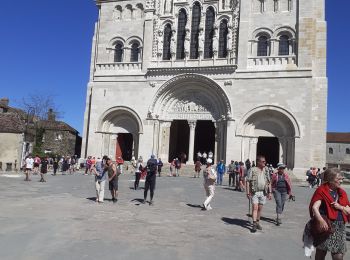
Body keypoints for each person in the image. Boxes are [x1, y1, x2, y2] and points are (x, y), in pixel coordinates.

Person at [309, 168, 350, 260]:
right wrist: (321, 221)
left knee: (338, 255)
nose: (341, 181)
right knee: (321, 252)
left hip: (340, 226)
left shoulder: (342, 193)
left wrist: (340, 207)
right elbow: (315, 208)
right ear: (331, 179)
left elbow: (348, 210)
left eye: (342, 179)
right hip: (326, 225)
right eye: (339, 179)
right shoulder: (322, 191)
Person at [246, 155, 272, 233]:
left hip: (263, 192)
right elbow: (247, 181)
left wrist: (270, 192)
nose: (265, 163)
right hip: (255, 192)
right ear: (258, 162)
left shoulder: (266, 170)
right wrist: (247, 192)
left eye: (265, 161)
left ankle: (257, 222)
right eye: (263, 161)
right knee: (255, 208)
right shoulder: (252, 170)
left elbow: (269, 181)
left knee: (260, 209)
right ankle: (254, 224)